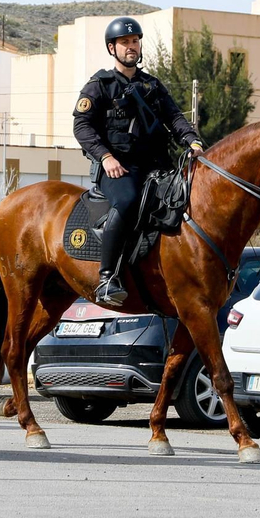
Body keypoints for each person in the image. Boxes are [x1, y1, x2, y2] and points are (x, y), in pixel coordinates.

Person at [72, 16, 203, 308]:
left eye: (135, 41)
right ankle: (107, 278)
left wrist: (192, 141)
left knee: (185, 200)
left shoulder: (152, 86)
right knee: (129, 202)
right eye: (125, 43)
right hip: (119, 168)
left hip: (156, 165)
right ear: (112, 48)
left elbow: (174, 117)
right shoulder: (99, 86)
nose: (131, 47)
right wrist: (105, 157)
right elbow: (82, 126)